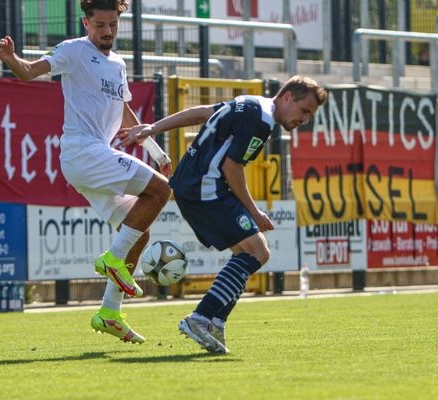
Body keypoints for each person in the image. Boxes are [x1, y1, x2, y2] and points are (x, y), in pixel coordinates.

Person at [0, 0, 172, 344]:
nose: (107, 32)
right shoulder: (75, 50)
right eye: (100, 25)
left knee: (139, 230)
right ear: (85, 23)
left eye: (112, 25)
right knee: (161, 191)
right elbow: (30, 71)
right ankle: (112, 259)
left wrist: (156, 151)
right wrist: (11, 59)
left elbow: (124, 113)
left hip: (94, 156)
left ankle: (109, 312)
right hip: (83, 152)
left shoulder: (118, 63)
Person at [118, 75, 327, 353]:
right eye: (305, 111)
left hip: (192, 184)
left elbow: (203, 112)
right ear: (288, 97)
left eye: (310, 115)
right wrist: (254, 212)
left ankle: (215, 321)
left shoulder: (249, 103)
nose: (305, 119)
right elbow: (232, 167)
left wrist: (154, 127)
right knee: (257, 251)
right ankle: (202, 318)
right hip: (206, 187)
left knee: (250, 251)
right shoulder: (261, 120)